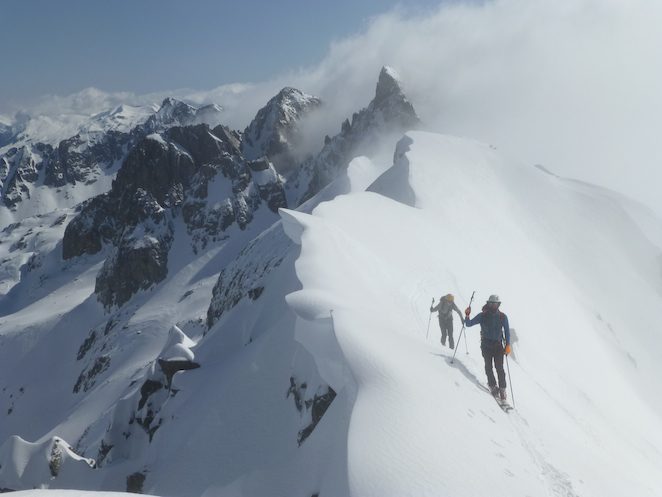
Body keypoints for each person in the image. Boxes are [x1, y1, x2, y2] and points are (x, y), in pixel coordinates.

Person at [464, 294, 512, 401]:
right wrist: (467, 315)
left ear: (498, 304)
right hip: (486, 345)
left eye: (495, 304)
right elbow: (469, 324)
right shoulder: (483, 315)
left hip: (498, 346)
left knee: (499, 368)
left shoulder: (503, 317)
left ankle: (502, 389)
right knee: (488, 367)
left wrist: (508, 345)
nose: (493, 306)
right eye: (491, 303)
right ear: (488, 304)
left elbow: (507, 332)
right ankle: (493, 386)